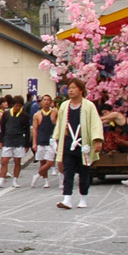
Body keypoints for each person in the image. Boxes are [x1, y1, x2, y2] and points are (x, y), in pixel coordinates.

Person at [52, 78, 103, 209]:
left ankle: (83, 198)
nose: (71, 90)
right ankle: (67, 198)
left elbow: (95, 124)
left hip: (83, 144)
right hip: (68, 142)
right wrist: (56, 139)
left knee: (84, 172)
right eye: (69, 88)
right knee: (67, 171)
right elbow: (60, 124)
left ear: (81, 90)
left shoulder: (89, 106)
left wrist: (97, 140)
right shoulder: (64, 105)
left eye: (74, 88)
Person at [0, 95, 30, 188]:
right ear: (13, 105)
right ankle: (1, 180)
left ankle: (15, 179)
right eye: (16, 106)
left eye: (20, 106)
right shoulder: (6, 114)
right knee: (4, 160)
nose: (18, 108)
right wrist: (0, 140)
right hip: (7, 139)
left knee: (17, 161)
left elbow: (27, 131)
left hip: (19, 140)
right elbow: (2, 128)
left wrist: (27, 144)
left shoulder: (25, 116)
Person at [30, 94, 58, 189]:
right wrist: (34, 142)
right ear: (41, 102)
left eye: (48, 100)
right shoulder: (37, 115)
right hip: (41, 140)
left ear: (51, 102)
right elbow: (35, 129)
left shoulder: (54, 112)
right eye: (44, 100)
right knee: (42, 162)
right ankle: (46, 180)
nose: (46, 102)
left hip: (51, 140)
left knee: (50, 162)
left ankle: (37, 175)